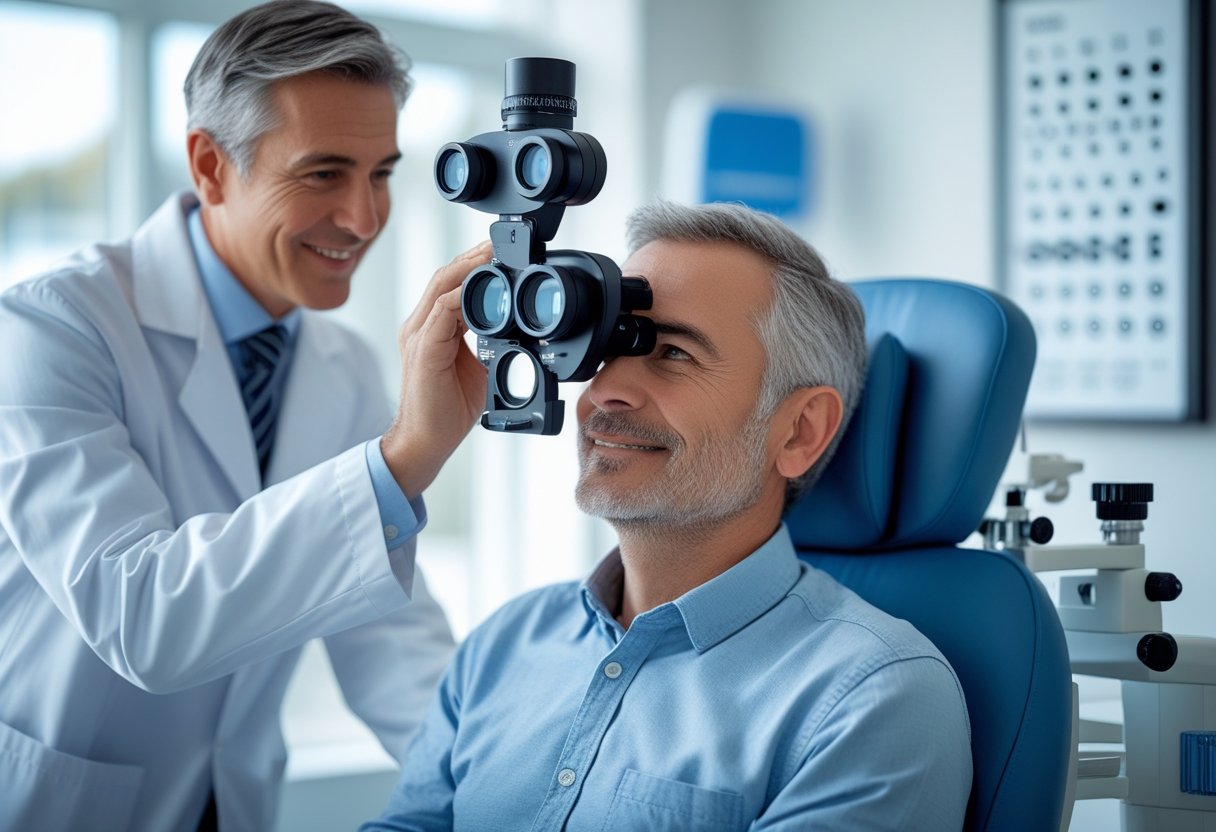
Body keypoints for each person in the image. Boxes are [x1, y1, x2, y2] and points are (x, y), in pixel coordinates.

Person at [0, 2, 492, 828]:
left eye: (381, 173)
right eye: (323, 173)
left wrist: (513, 785)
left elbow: (388, 643)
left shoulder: (343, 368)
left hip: (232, 804)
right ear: (211, 165)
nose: (363, 220)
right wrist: (406, 456)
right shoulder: (49, 328)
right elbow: (143, 616)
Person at [364, 201, 974, 831]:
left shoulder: (871, 697)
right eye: (602, 350)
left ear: (798, 431)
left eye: (675, 354)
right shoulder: (504, 644)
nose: (604, 391)